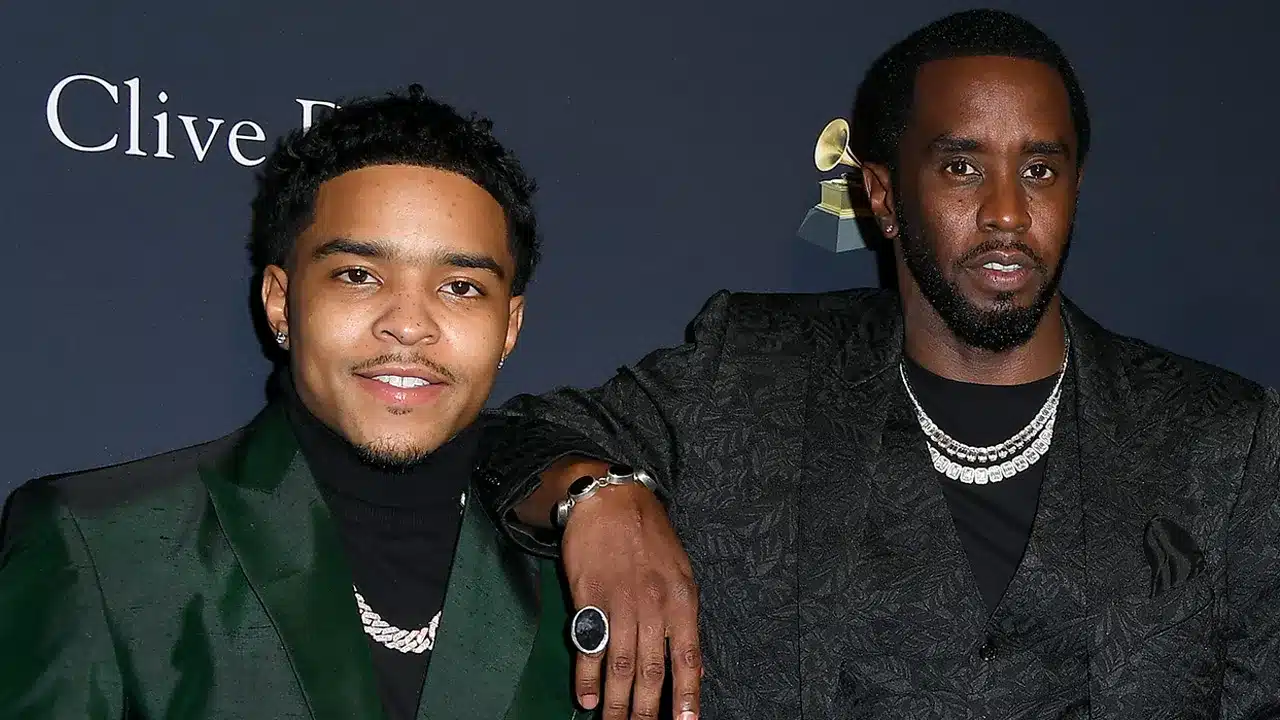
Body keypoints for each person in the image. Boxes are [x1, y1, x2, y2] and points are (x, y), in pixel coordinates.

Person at [475, 10, 1280, 718]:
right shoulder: (747, 372)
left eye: (1039, 170)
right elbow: (506, 440)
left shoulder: (1224, 438)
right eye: (962, 167)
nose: (1007, 212)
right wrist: (600, 496)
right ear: (884, 198)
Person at [0, 85, 595, 719]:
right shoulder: (104, 549)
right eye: (359, 276)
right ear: (282, 303)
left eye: (460, 287)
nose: (409, 325)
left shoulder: (586, 582)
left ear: (509, 326)